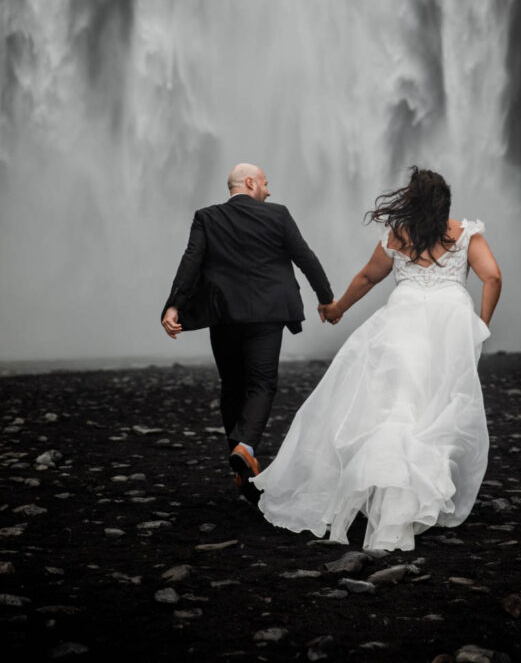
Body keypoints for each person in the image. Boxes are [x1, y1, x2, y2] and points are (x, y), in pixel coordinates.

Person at [252, 167, 502, 551]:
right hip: (450, 323)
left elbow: (369, 278)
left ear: (411, 201)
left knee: (395, 404)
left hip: (402, 321)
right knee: (439, 407)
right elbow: (493, 277)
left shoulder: (399, 236)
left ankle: (384, 488)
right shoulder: (464, 234)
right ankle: (420, 496)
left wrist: (337, 309)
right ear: (444, 203)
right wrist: (479, 326)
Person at [160, 163, 334, 502]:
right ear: (250, 182)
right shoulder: (278, 215)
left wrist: (173, 306)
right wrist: (326, 300)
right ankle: (246, 446)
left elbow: (191, 261)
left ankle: (239, 460)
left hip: (223, 315)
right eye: (266, 184)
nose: (269, 191)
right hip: (267, 315)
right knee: (262, 384)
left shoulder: (206, 217)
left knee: (232, 385)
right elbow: (306, 258)